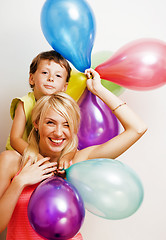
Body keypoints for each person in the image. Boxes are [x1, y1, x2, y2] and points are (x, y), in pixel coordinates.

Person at [0, 69, 147, 239]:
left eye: (67, 125)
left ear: (75, 128)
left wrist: (98, 90)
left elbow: (137, 128)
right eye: (50, 122)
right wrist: (20, 182)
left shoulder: (79, 161)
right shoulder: (11, 161)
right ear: (36, 124)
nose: (58, 132)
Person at [4, 50, 75, 170]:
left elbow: (73, 140)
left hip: (49, 158)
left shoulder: (64, 107)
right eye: (45, 72)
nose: (51, 78)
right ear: (31, 78)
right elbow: (15, 139)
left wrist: (66, 158)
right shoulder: (24, 103)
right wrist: (38, 158)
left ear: (64, 87)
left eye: (58, 75)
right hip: (23, 156)